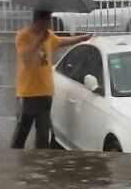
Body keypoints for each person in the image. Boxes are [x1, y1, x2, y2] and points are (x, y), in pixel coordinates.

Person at [12, 9, 92, 149]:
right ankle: (15, 157)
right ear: (39, 21)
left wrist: (81, 38)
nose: (49, 24)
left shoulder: (48, 35)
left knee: (43, 131)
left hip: (45, 91)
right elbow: (25, 58)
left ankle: (41, 160)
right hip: (28, 92)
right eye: (47, 21)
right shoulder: (23, 36)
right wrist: (38, 42)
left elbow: (60, 41)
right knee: (22, 130)